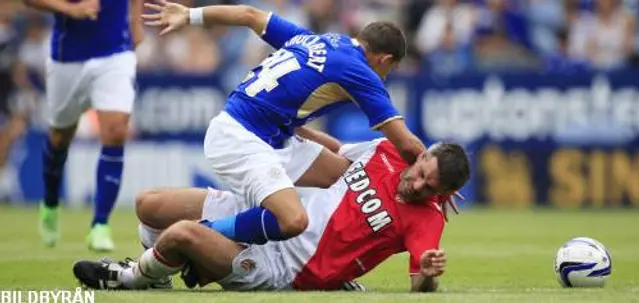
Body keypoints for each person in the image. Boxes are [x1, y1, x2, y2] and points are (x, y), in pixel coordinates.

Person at [140, 1, 428, 246]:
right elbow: (405, 143)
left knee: (349, 178)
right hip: (243, 139)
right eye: (390, 69)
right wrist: (437, 179)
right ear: (384, 59)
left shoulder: (315, 39)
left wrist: (190, 15)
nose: (386, 77)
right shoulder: (360, 71)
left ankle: (319, 258)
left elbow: (249, 16)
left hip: (265, 133)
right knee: (292, 220)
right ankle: (188, 238)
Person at [72, 138, 471, 292]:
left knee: (180, 234)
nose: (418, 186)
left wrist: (430, 275)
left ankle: (127, 278)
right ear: (421, 155)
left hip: (283, 266)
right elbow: (338, 151)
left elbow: (420, 282)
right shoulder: (384, 150)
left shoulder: (428, 217)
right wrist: (297, 128)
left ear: (445, 194)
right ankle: (158, 279)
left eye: (430, 188)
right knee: (149, 204)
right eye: (421, 174)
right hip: (272, 211)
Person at [23, 0, 144, 251]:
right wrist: (70, 9)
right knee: (60, 136)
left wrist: (135, 22)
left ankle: (100, 225)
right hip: (68, 58)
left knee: (116, 131)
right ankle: (51, 202)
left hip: (116, 53)